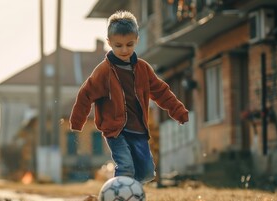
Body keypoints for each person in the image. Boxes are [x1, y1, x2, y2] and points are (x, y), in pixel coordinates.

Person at [69, 10, 189, 184]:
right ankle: (121, 199)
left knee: (147, 173)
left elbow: (162, 92)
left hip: (139, 130)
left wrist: (178, 111)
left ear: (137, 41)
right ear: (109, 43)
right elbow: (86, 94)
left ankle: (132, 193)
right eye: (118, 45)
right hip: (115, 130)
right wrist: (77, 121)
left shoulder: (143, 69)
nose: (124, 50)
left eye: (129, 44)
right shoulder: (104, 71)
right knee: (126, 166)